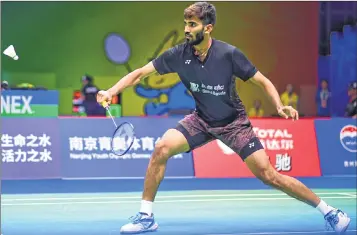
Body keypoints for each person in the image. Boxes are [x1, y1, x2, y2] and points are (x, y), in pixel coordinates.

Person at [96, 2, 351, 234]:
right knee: (161, 148)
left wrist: (280, 104)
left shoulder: (229, 55)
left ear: (208, 28)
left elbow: (261, 80)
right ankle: (146, 216)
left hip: (233, 124)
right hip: (201, 119)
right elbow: (140, 73)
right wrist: (111, 91)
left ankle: (329, 211)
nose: (186, 29)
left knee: (269, 175)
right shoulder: (178, 54)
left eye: (192, 24)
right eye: (185, 23)